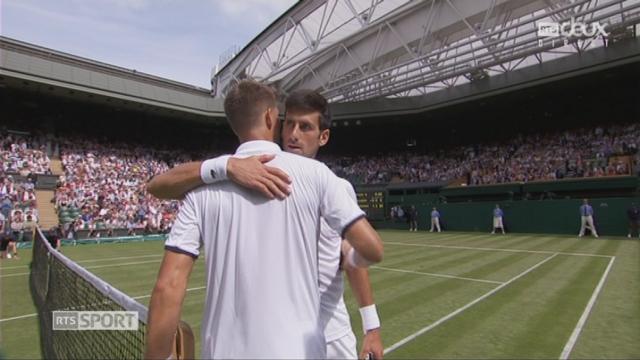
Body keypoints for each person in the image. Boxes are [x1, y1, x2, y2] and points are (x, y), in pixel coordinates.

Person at [144, 80, 383, 359]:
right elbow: (372, 249)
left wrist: (370, 322)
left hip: (317, 335)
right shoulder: (317, 177)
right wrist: (226, 165)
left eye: (304, 126)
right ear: (272, 118)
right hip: (301, 349)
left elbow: (168, 287)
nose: (293, 133)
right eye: (289, 123)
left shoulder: (200, 193)